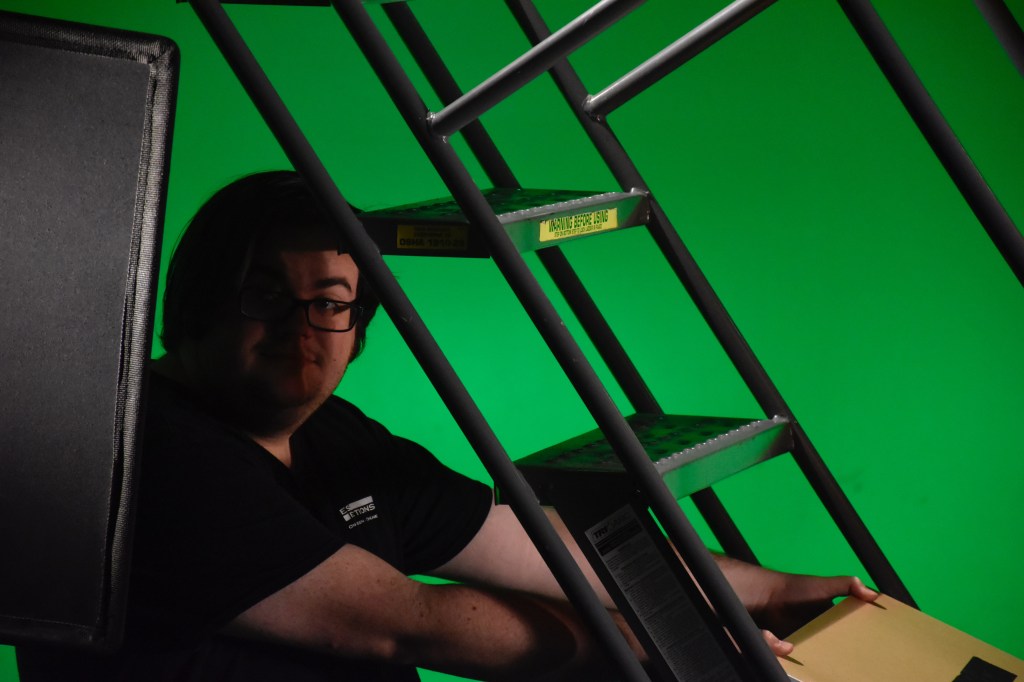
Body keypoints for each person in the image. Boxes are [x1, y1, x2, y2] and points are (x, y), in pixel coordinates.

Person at [18, 171, 876, 681]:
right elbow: (404, 621)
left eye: (330, 302)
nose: (300, 329)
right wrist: (664, 642)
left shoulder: (332, 434)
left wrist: (769, 591)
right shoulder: (147, 452)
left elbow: (532, 545)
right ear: (195, 302)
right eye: (264, 295)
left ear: (359, 328)